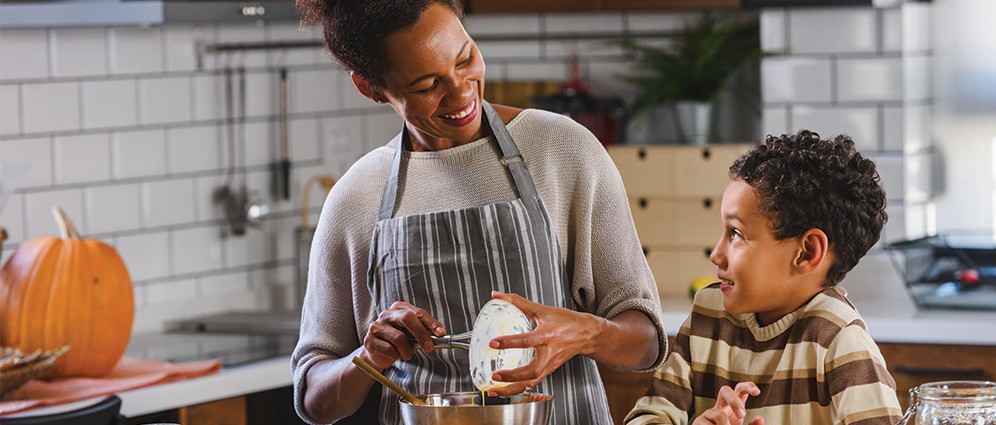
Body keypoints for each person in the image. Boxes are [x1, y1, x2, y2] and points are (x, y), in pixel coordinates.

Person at [290, 1, 667, 424]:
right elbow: (312, 399)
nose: (461, 91)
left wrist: (587, 333)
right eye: (427, 84)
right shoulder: (356, 198)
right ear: (371, 88)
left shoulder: (561, 150)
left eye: (465, 58)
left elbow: (648, 342)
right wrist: (368, 356)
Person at [626, 130, 903, 425]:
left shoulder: (839, 341)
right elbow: (646, 417)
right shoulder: (709, 314)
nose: (716, 255)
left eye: (736, 234)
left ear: (807, 252)